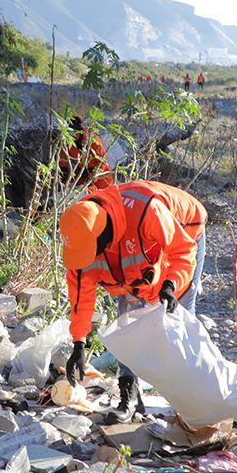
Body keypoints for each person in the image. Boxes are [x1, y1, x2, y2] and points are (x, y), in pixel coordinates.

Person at [60, 180, 207, 423]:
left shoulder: (147, 212)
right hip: (141, 261)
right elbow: (81, 298)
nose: (89, 260)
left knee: (180, 323)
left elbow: (182, 251)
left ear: (104, 236)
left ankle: (199, 401)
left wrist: (171, 285)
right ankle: (130, 395)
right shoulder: (80, 235)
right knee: (126, 325)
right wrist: (79, 343)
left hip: (185, 232)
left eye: (91, 253)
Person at [58, 115, 112, 190]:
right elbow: (62, 161)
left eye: (75, 132)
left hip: (100, 177)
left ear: (81, 131)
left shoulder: (93, 140)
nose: (73, 135)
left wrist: (91, 177)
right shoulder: (67, 141)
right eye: (71, 133)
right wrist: (64, 177)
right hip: (81, 175)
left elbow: (101, 163)